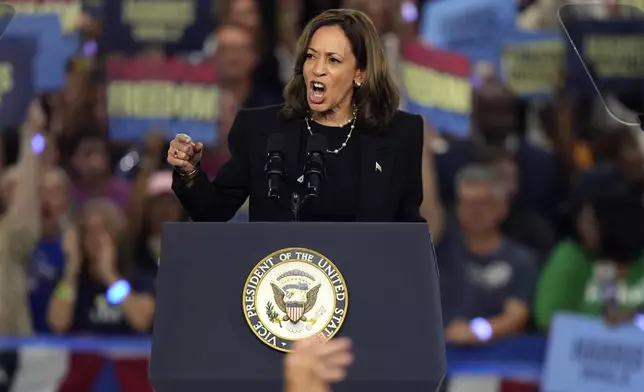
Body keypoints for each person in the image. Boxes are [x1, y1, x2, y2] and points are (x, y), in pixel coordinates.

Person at [167, 9, 424, 223]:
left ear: (360, 73)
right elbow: (212, 211)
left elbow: (408, 234)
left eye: (333, 60)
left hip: (366, 280)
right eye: (312, 57)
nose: (318, 69)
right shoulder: (260, 129)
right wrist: (189, 173)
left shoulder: (399, 134)